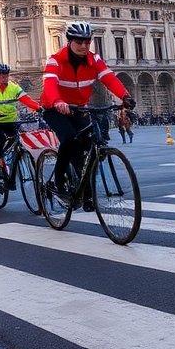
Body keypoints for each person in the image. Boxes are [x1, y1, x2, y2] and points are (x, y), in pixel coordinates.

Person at [40, 21, 135, 209]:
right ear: (69, 42)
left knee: (89, 145)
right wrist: (58, 101)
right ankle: (58, 183)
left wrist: (124, 96)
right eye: (79, 42)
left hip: (80, 108)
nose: (84, 46)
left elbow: (109, 78)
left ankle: (87, 193)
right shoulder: (56, 60)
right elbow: (50, 85)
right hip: (54, 108)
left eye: (87, 41)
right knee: (69, 139)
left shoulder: (94, 60)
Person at [0, 63, 42, 188]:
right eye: (0, 75)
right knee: (0, 141)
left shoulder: (14, 88)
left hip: (10, 120)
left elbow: (26, 100)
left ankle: (11, 177)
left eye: (6, 75)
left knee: (15, 144)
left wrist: (39, 108)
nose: (3, 77)